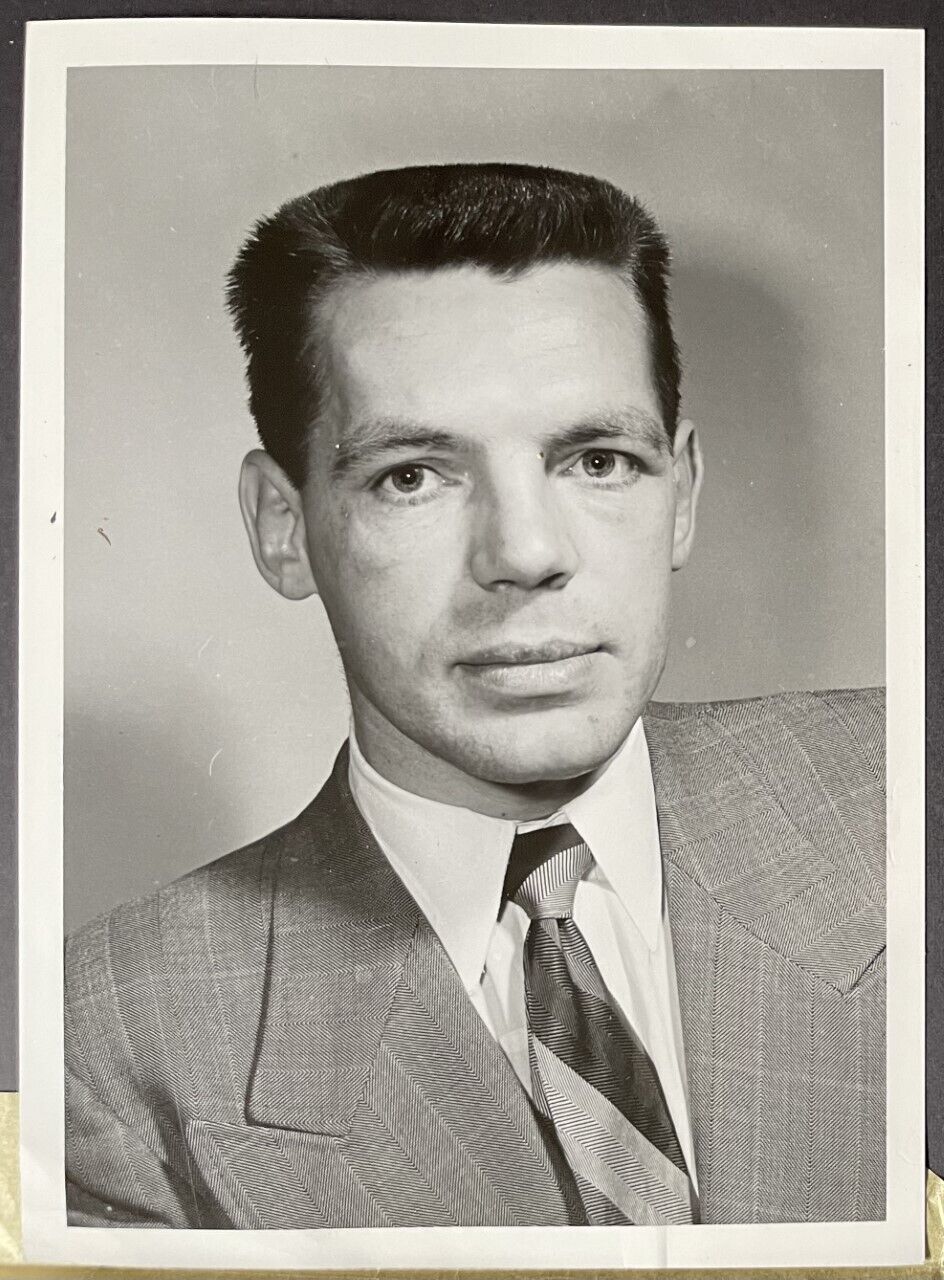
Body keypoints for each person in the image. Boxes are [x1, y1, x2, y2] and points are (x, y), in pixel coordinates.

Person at [64, 163, 886, 1229]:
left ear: (680, 496)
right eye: (412, 474)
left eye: (597, 459)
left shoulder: (899, 802)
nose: (526, 553)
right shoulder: (110, 1046)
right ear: (282, 524)